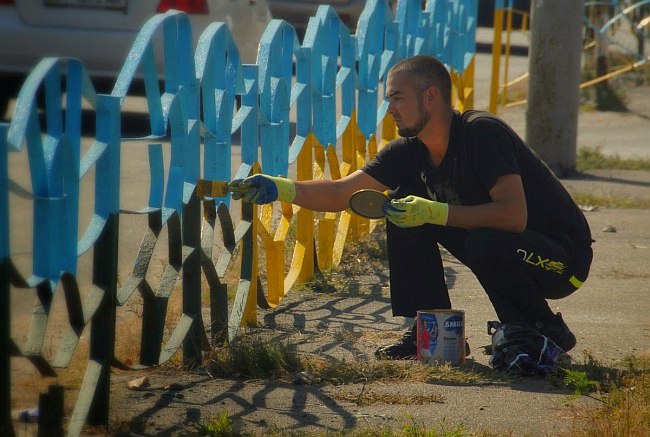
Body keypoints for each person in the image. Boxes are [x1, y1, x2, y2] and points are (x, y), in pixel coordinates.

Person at [229, 54, 593, 359]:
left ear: (430, 96)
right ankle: (435, 335)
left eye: (397, 98)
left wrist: (435, 212)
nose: (390, 109)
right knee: (402, 207)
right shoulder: (409, 151)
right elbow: (341, 193)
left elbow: (514, 217)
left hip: (562, 260)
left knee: (485, 240)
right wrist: (279, 188)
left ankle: (538, 328)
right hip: (504, 245)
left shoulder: (483, 133)